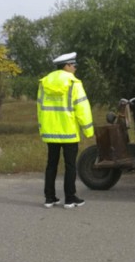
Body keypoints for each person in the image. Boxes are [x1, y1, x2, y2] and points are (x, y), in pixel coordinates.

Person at [37, 52, 94, 209]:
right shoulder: (74, 83)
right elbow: (82, 108)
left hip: (50, 132)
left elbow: (40, 108)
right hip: (69, 132)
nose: (75, 68)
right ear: (67, 66)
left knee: (51, 165)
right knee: (70, 166)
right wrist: (88, 131)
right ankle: (70, 199)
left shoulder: (44, 83)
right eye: (74, 65)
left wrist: (42, 128)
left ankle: (49, 198)